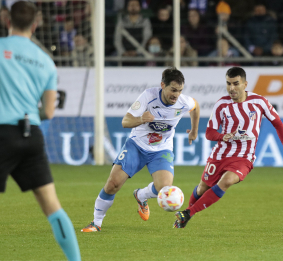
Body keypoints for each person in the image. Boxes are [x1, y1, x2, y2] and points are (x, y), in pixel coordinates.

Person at [0, 1, 81, 261]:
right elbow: (49, 112)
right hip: (32, 135)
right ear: (35, 25)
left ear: (7, 21)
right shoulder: (46, 61)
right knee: (52, 206)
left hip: (0, 135)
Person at [173, 66, 283, 229]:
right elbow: (209, 133)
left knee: (227, 181)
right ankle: (186, 215)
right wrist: (222, 136)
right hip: (220, 155)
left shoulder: (259, 102)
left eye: (236, 83)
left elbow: (277, 123)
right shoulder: (222, 105)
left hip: (244, 157)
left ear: (245, 84)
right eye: (228, 83)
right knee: (203, 188)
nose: (232, 88)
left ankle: (188, 213)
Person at [81, 67, 200, 232]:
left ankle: (141, 196)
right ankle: (96, 223)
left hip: (161, 150)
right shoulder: (148, 97)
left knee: (164, 187)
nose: (176, 95)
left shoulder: (183, 102)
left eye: (179, 91)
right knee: (113, 184)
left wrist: (194, 130)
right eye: (173, 90)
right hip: (136, 146)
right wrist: (140, 119)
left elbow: (195, 107)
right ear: (162, 85)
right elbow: (125, 122)